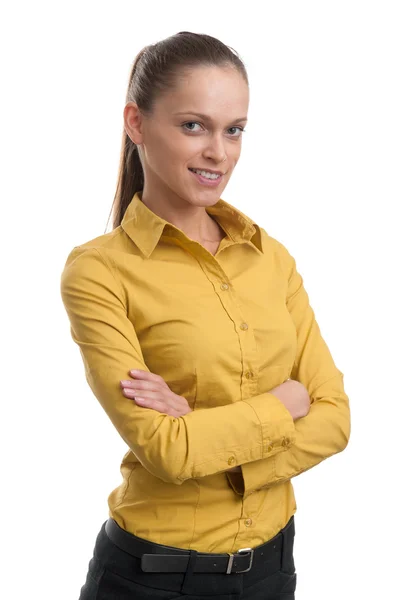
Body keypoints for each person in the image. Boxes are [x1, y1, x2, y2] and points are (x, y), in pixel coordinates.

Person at [60, 31, 351, 600]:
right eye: (193, 125)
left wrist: (210, 438)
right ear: (137, 124)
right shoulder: (99, 272)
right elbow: (166, 451)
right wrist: (282, 405)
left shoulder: (270, 257)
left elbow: (336, 419)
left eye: (233, 129)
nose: (219, 151)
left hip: (272, 570)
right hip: (152, 578)